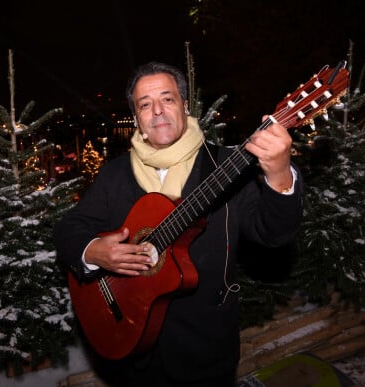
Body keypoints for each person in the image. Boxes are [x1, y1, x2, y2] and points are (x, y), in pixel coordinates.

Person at [53, 61, 303, 386]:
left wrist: (280, 173)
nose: (157, 111)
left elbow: (275, 235)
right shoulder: (115, 174)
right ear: (138, 120)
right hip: (130, 349)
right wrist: (93, 251)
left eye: (167, 99)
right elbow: (68, 229)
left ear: (185, 106)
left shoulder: (226, 165)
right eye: (145, 104)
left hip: (203, 353)